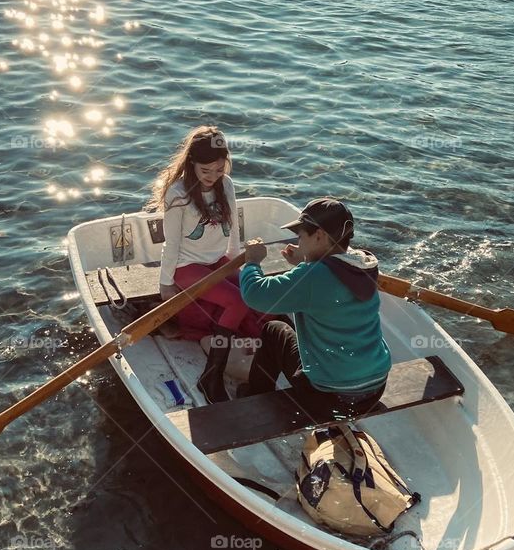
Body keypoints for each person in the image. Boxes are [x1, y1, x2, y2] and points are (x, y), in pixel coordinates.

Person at [237, 198, 391, 420]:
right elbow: (326, 278)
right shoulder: (363, 265)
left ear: (318, 235)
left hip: (331, 399)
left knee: (273, 330)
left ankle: (255, 395)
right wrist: (305, 260)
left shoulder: (313, 277)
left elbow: (255, 295)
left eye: (301, 237)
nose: (298, 243)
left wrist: (252, 263)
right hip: (374, 389)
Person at [150, 126, 264, 404]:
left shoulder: (226, 184)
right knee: (237, 302)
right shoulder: (178, 195)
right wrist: (166, 284)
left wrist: (239, 262)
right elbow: (172, 243)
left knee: (256, 297)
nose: (213, 177)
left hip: (219, 262)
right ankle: (210, 376)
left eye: (218, 169)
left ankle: (261, 365)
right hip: (186, 266)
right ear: (192, 164)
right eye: (205, 171)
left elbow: (233, 228)